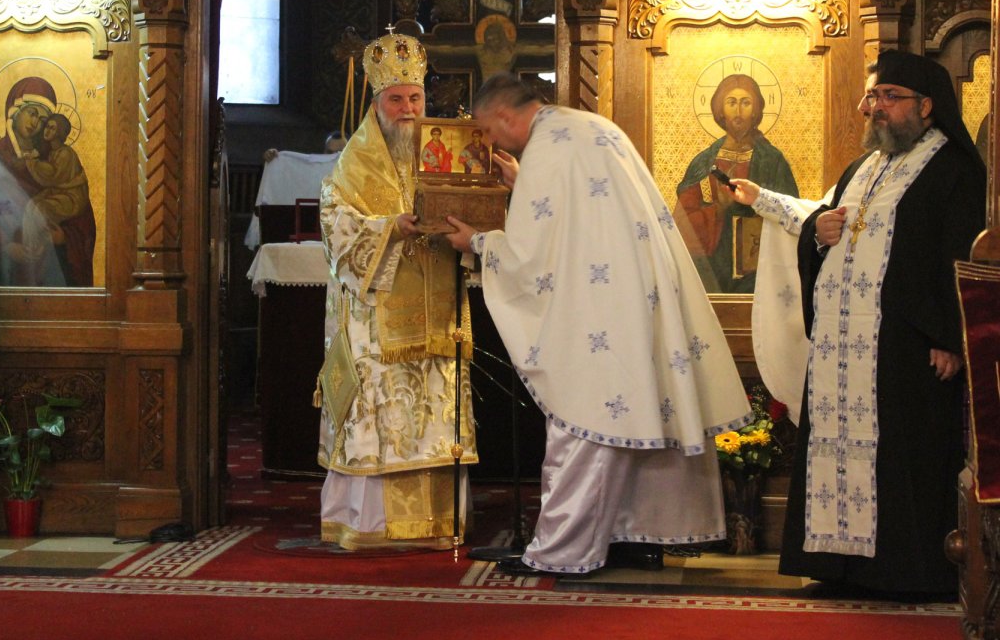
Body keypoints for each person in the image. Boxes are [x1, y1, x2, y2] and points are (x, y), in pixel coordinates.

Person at [445, 73, 751, 575]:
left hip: (596, 313)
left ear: (503, 115)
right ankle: (635, 536)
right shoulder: (590, 127)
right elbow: (587, 213)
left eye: (489, 131)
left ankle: (562, 551)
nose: (491, 143)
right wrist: (523, 182)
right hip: (636, 299)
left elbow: (529, 255)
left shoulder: (547, 147)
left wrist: (477, 242)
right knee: (638, 416)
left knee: (586, 422)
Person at [731, 50, 985, 596]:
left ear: (926, 106)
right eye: (873, 96)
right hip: (842, 348)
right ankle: (837, 564)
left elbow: (960, 255)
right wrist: (818, 233)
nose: (876, 107)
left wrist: (949, 336)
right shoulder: (862, 168)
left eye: (890, 97)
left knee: (900, 454)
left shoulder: (955, 170)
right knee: (838, 451)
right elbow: (824, 232)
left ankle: (902, 573)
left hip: (906, 345)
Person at [317, 29, 477, 550]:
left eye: (415, 98)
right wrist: (390, 228)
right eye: (397, 99)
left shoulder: (442, 152)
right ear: (377, 104)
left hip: (437, 314)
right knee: (383, 415)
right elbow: (335, 225)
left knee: (433, 413)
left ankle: (437, 521)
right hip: (376, 318)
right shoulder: (353, 163)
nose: (408, 109)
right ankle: (371, 525)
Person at [0, 77, 97, 287]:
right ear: (15, 110)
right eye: (32, 113)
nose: (36, 123)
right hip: (5, 279)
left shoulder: (55, 159)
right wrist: (6, 248)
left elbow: (81, 215)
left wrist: (63, 237)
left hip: (54, 275)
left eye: (43, 120)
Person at [675, 74, 798, 293]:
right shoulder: (704, 162)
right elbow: (682, 225)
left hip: (761, 268)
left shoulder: (773, 161)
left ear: (756, 111)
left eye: (746, 103)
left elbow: (792, 215)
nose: (738, 111)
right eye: (731, 102)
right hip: (713, 271)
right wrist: (718, 209)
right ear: (720, 110)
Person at [19, 112, 90, 267]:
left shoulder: (66, 153)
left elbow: (52, 176)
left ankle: (37, 248)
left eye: (52, 128)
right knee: (31, 205)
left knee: (41, 209)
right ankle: (29, 247)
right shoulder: (54, 152)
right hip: (59, 192)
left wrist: (32, 161)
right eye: (47, 126)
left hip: (72, 197)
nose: (47, 130)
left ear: (60, 132)